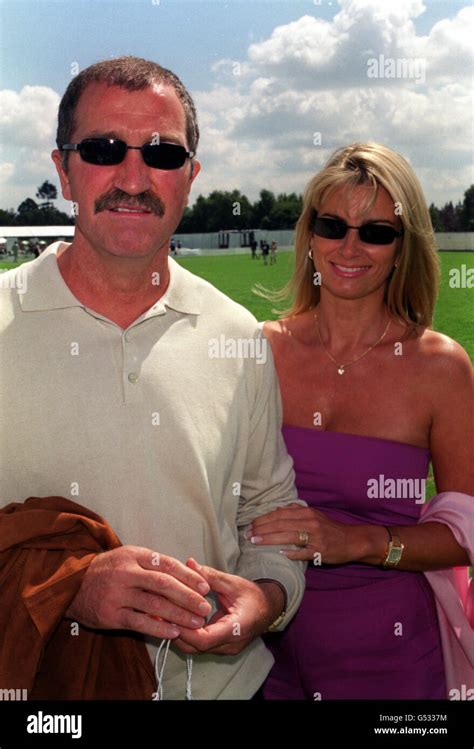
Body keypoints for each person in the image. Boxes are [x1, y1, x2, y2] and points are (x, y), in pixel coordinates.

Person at [0, 56, 305, 700]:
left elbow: (269, 513)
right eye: (104, 148)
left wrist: (266, 599)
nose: (134, 176)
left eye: (163, 154)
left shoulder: (237, 333)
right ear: (63, 170)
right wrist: (68, 589)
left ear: (190, 176)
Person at [249, 142, 473, 699]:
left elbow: (465, 532)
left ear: (403, 247)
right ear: (310, 236)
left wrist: (358, 542)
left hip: (391, 663)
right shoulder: (258, 349)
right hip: (258, 653)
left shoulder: (439, 366)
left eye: (376, 231)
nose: (351, 246)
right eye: (333, 225)